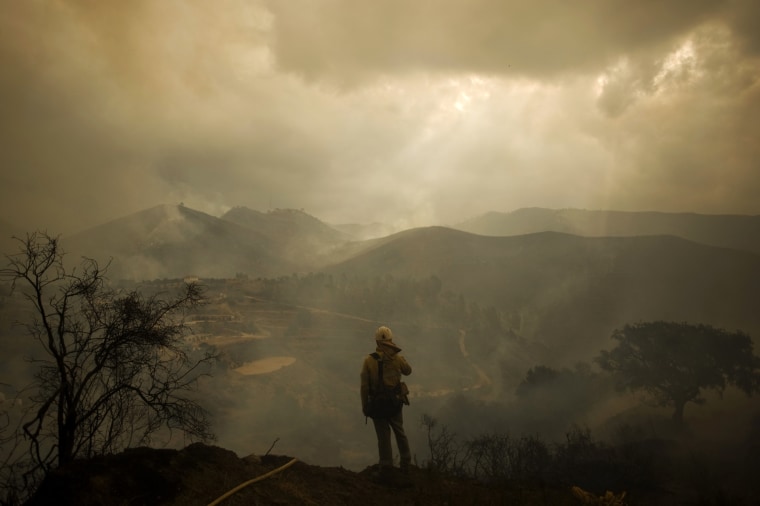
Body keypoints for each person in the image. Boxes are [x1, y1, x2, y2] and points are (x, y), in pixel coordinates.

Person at [360, 325, 412, 475]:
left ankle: (386, 467)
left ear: (376, 342)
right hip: (395, 402)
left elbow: (364, 386)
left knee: (383, 437)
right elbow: (408, 371)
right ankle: (406, 463)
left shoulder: (369, 361)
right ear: (391, 340)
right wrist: (399, 356)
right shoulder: (396, 358)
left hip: (377, 404)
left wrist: (365, 406)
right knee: (399, 432)